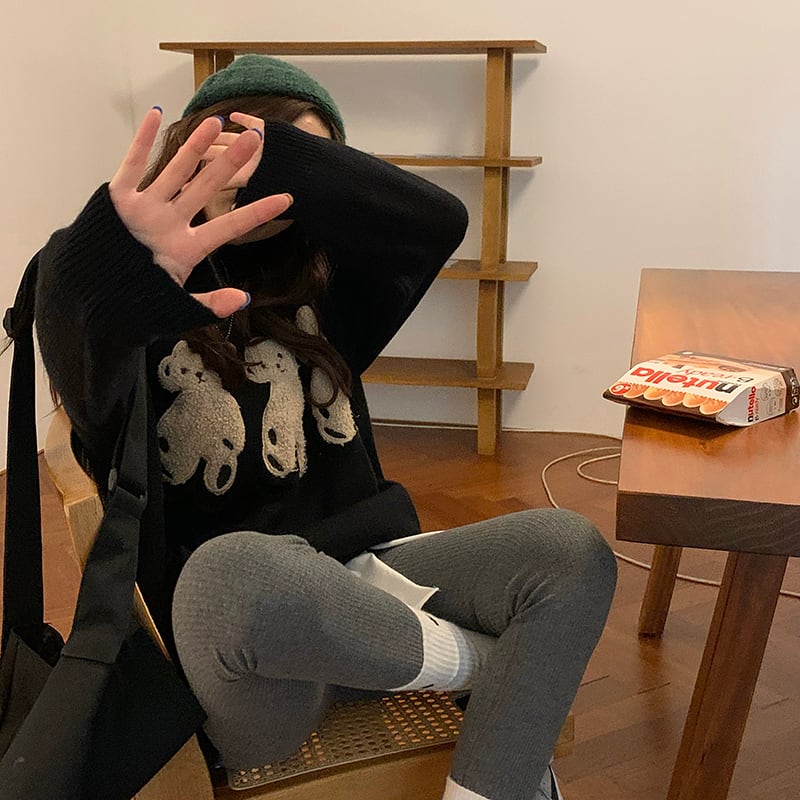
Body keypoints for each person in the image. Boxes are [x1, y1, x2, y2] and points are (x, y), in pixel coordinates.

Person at [32, 55, 617, 800]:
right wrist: (117, 252)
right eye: (236, 152)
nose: (258, 179)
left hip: (373, 591)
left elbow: (439, 219)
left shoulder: (331, 288)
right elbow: (69, 303)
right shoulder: (130, 313)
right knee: (229, 572)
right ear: (193, 146)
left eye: (293, 163)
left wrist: (288, 158)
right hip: (251, 659)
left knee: (572, 551)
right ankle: (480, 660)